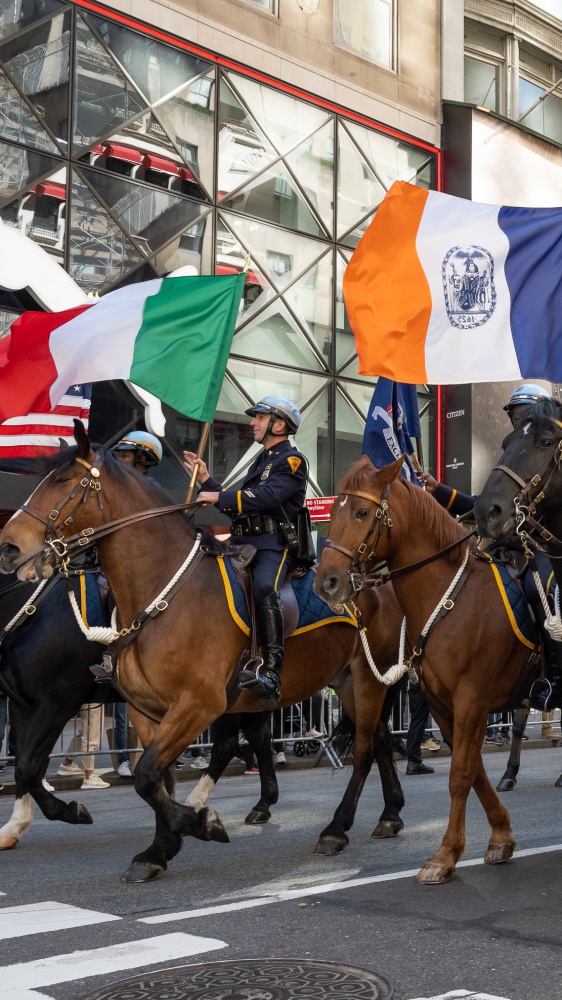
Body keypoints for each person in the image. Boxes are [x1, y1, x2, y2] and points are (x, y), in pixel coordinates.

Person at [422, 383, 561, 712]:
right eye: (514, 413)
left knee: (541, 586)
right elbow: (481, 504)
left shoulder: (544, 448)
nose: (518, 417)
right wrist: (439, 490)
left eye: (523, 411)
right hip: (502, 548)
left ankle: (554, 678)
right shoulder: (515, 448)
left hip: (536, 546)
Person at [184, 396, 307, 709]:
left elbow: (265, 498)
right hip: (242, 544)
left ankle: (272, 674)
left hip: (274, 546)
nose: (253, 423)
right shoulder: (261, 461)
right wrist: (205, 480)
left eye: (260, 418)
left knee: (266, 587)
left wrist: (216, 494)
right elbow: (241, 509)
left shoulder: (292, 461)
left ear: (279, 425)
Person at [112, 430, 163, 776]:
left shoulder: (149, 492)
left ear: (143, 459)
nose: (121, 458)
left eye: (127, 454)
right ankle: (109, 656)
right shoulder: (117, 489)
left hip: (151, 571)